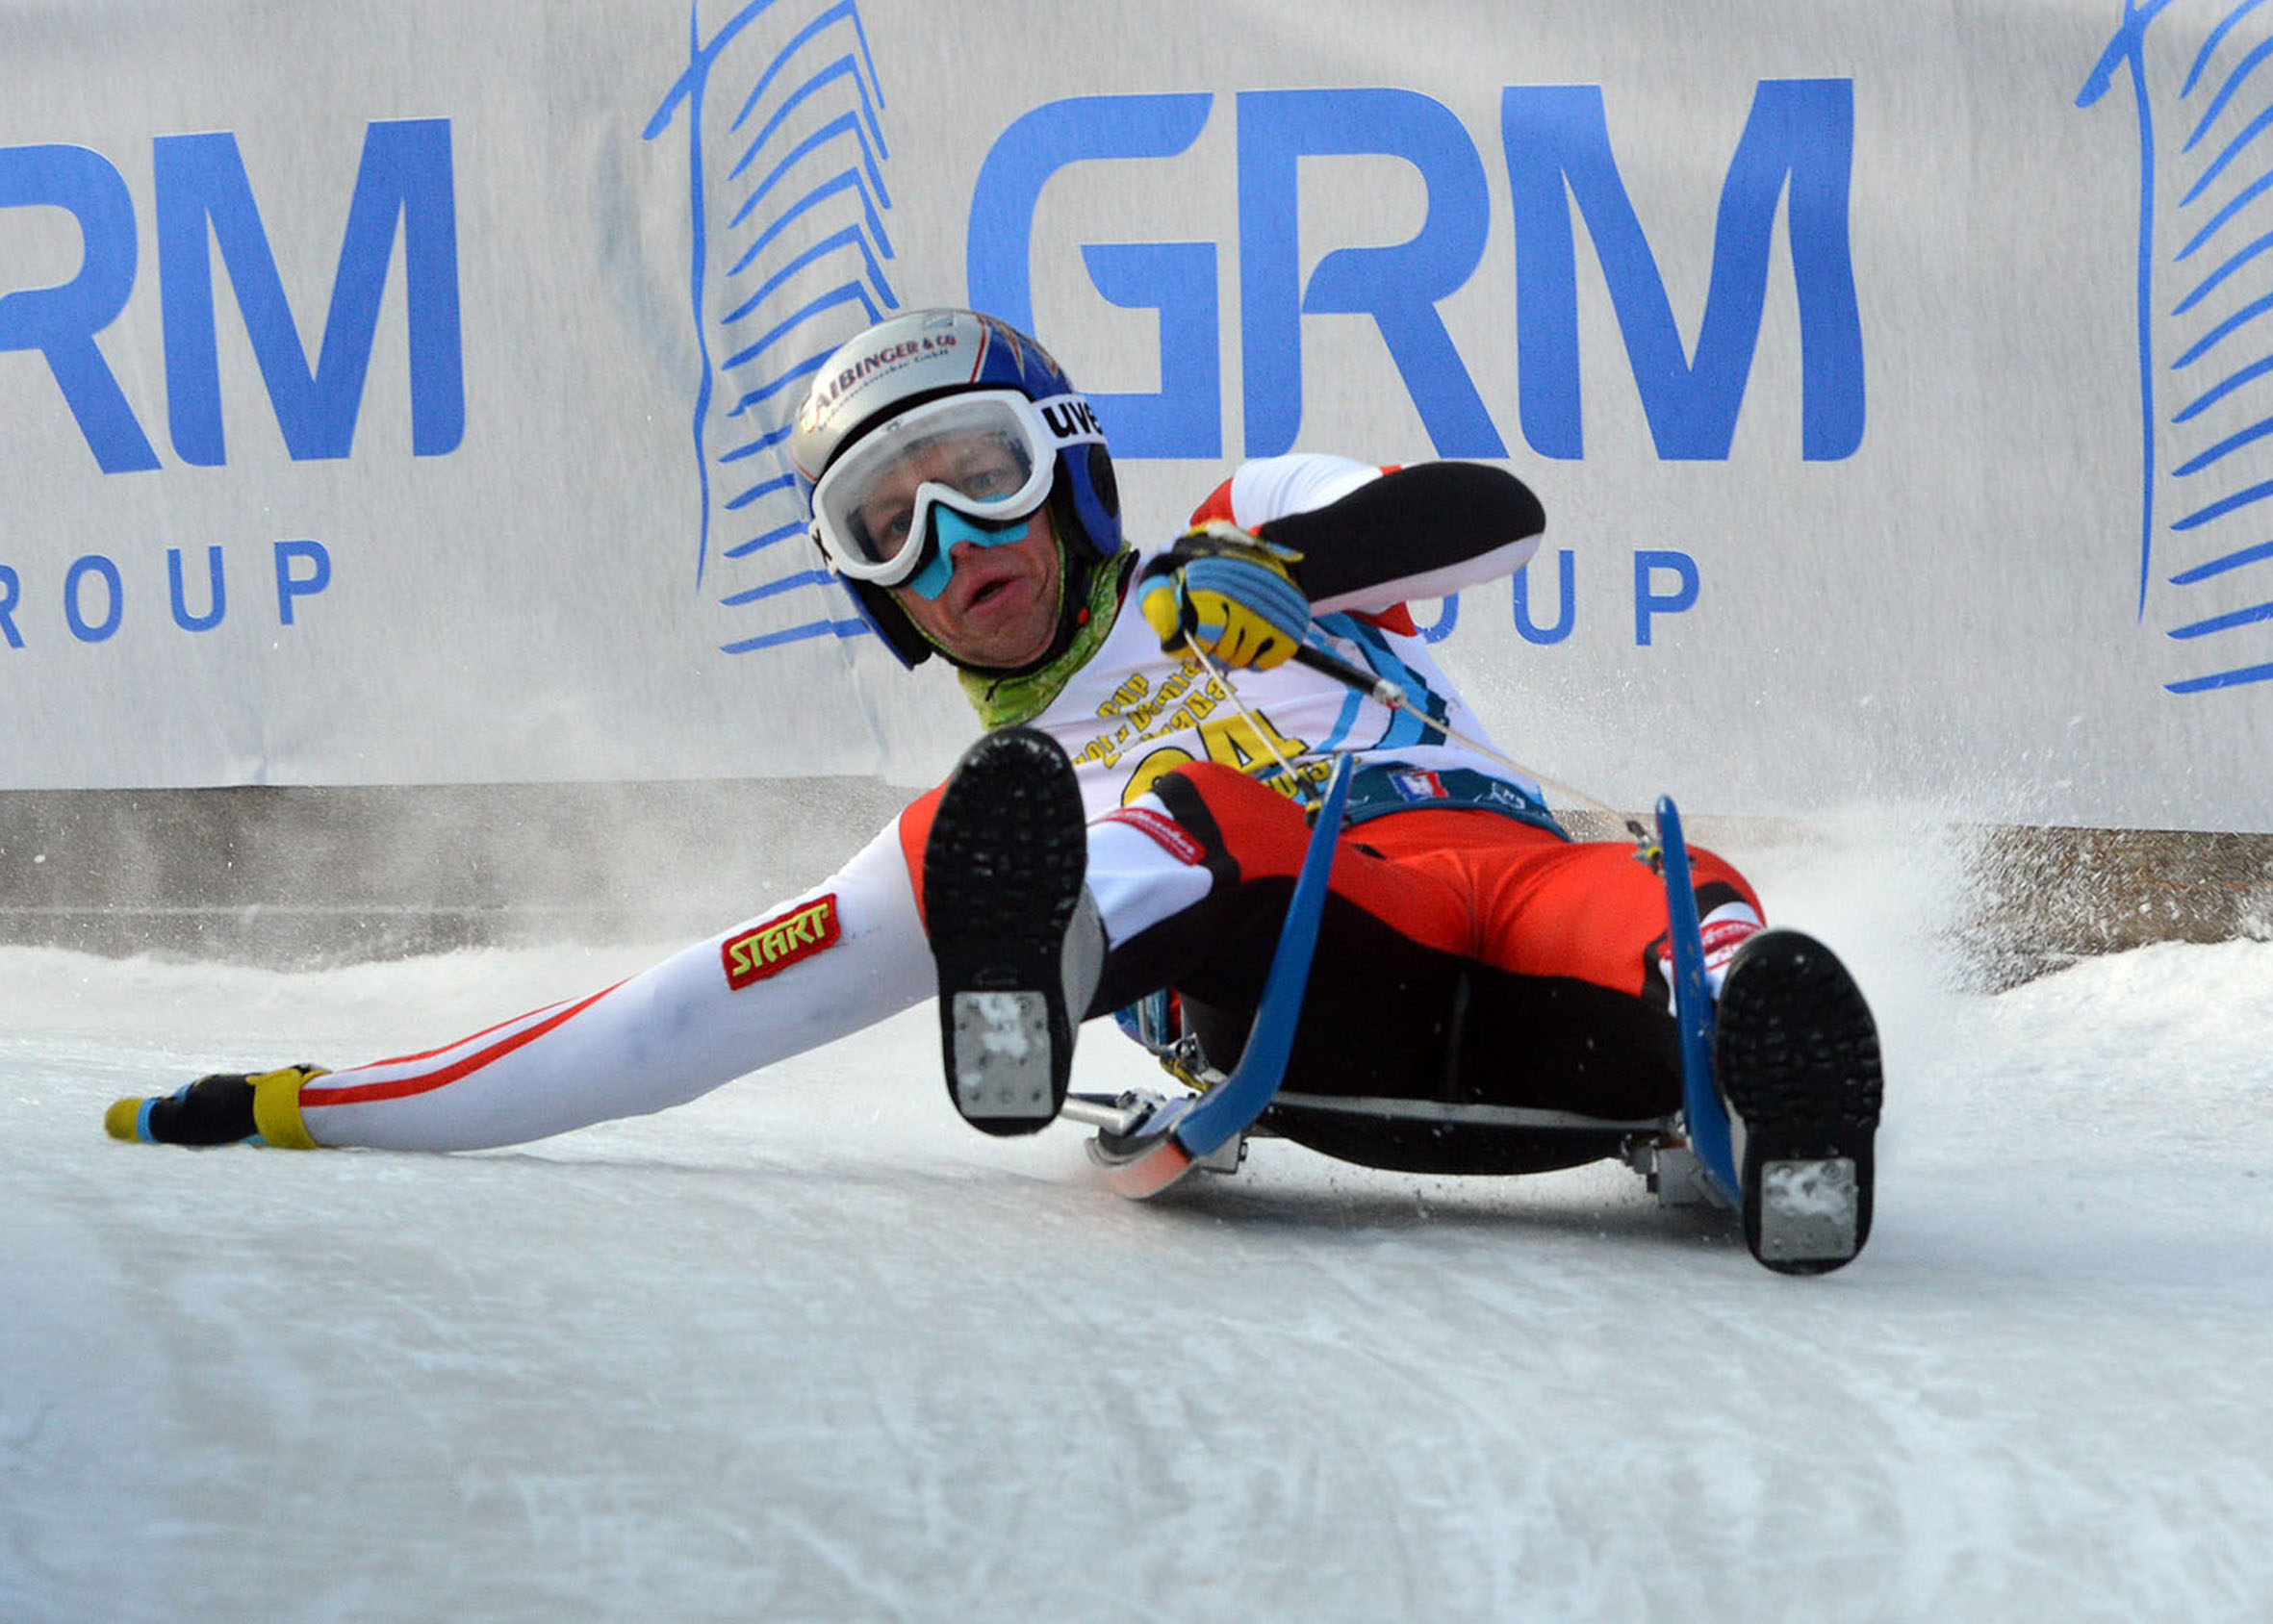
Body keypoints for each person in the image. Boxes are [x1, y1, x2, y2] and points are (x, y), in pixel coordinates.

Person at [106, 307, 1883, 1273]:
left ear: (1072, 473)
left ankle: (1767, 1094)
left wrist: (1287, 562)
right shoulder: (992, 822)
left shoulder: (1248, 516)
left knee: (1664, 891)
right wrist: (306, 1104)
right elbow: (655, 1027)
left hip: (1514, 907)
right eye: (889, 527)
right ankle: (1032, 977)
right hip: (1305, 954)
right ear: (872, 590)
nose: (952, 546)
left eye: (978, 480)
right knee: (1151, 815)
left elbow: (1495, 512)